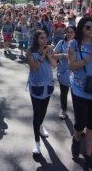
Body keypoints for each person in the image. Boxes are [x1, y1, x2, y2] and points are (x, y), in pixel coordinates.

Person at [68, 18, 92, 169]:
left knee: (91, 123)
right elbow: (72, 66)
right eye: (87, 27)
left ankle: (88, 154)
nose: (91, 29)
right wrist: (89, 56)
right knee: (80, 123)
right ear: (81, 29)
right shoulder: (73, 44)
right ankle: (76, 139)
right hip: (78, 88)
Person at [27, 30, 57, 160]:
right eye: (41, 38)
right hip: (36, 85)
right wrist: (42, 55)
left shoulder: (50, 48)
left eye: (45, 38)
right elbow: (33, 68)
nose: (44, 40)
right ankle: (37, 142)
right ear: (36, 40)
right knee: (36, 113)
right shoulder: (30, 51)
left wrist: (49, 55)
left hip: (48, 84)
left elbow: (54, 65)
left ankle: (40, 125)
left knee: (43, 111)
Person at [53, 26, 76, 119]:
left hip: (75, 72)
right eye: (68, 32)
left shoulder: (78, 44)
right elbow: (54, 54)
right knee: (63, 93)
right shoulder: (61, 42)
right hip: (62, 72)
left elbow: (76, 56)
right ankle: (64, 110)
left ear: (75, 33)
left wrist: (63, 55)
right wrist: (60, 55)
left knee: (76, 95)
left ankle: (77, 114)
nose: (69, 34)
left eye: (72, 32)